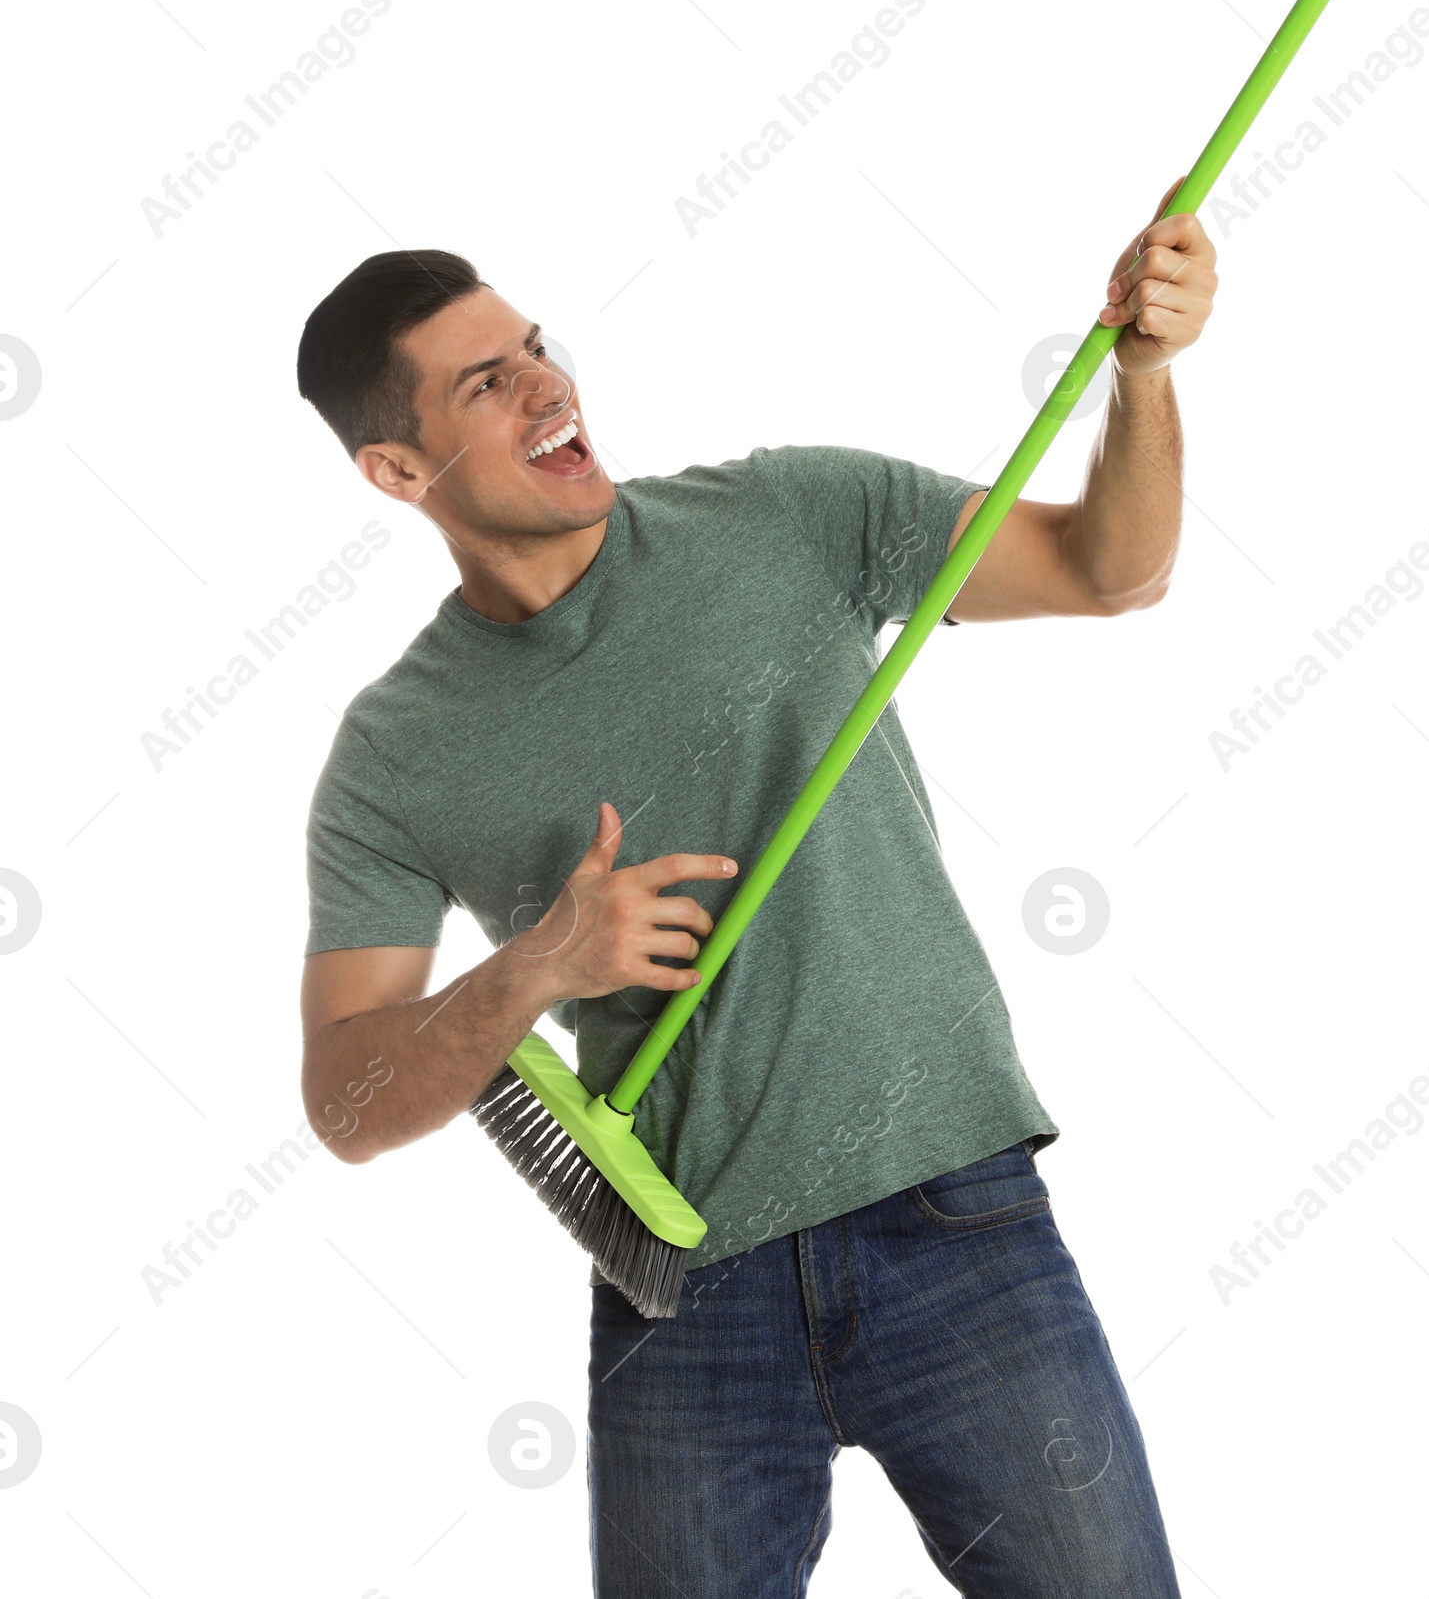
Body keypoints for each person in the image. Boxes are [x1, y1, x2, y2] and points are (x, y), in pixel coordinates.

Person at [296, 184, 1216, 1597]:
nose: (548, 380)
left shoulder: (794, 514)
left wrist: (1142, 377)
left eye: (537, 343)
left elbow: (1112, 569)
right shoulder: (395, 754)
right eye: (487, 383)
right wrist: (536, 966)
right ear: (397, 472)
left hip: (957, 1227)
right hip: (686, 1293)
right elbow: (347, 1101)